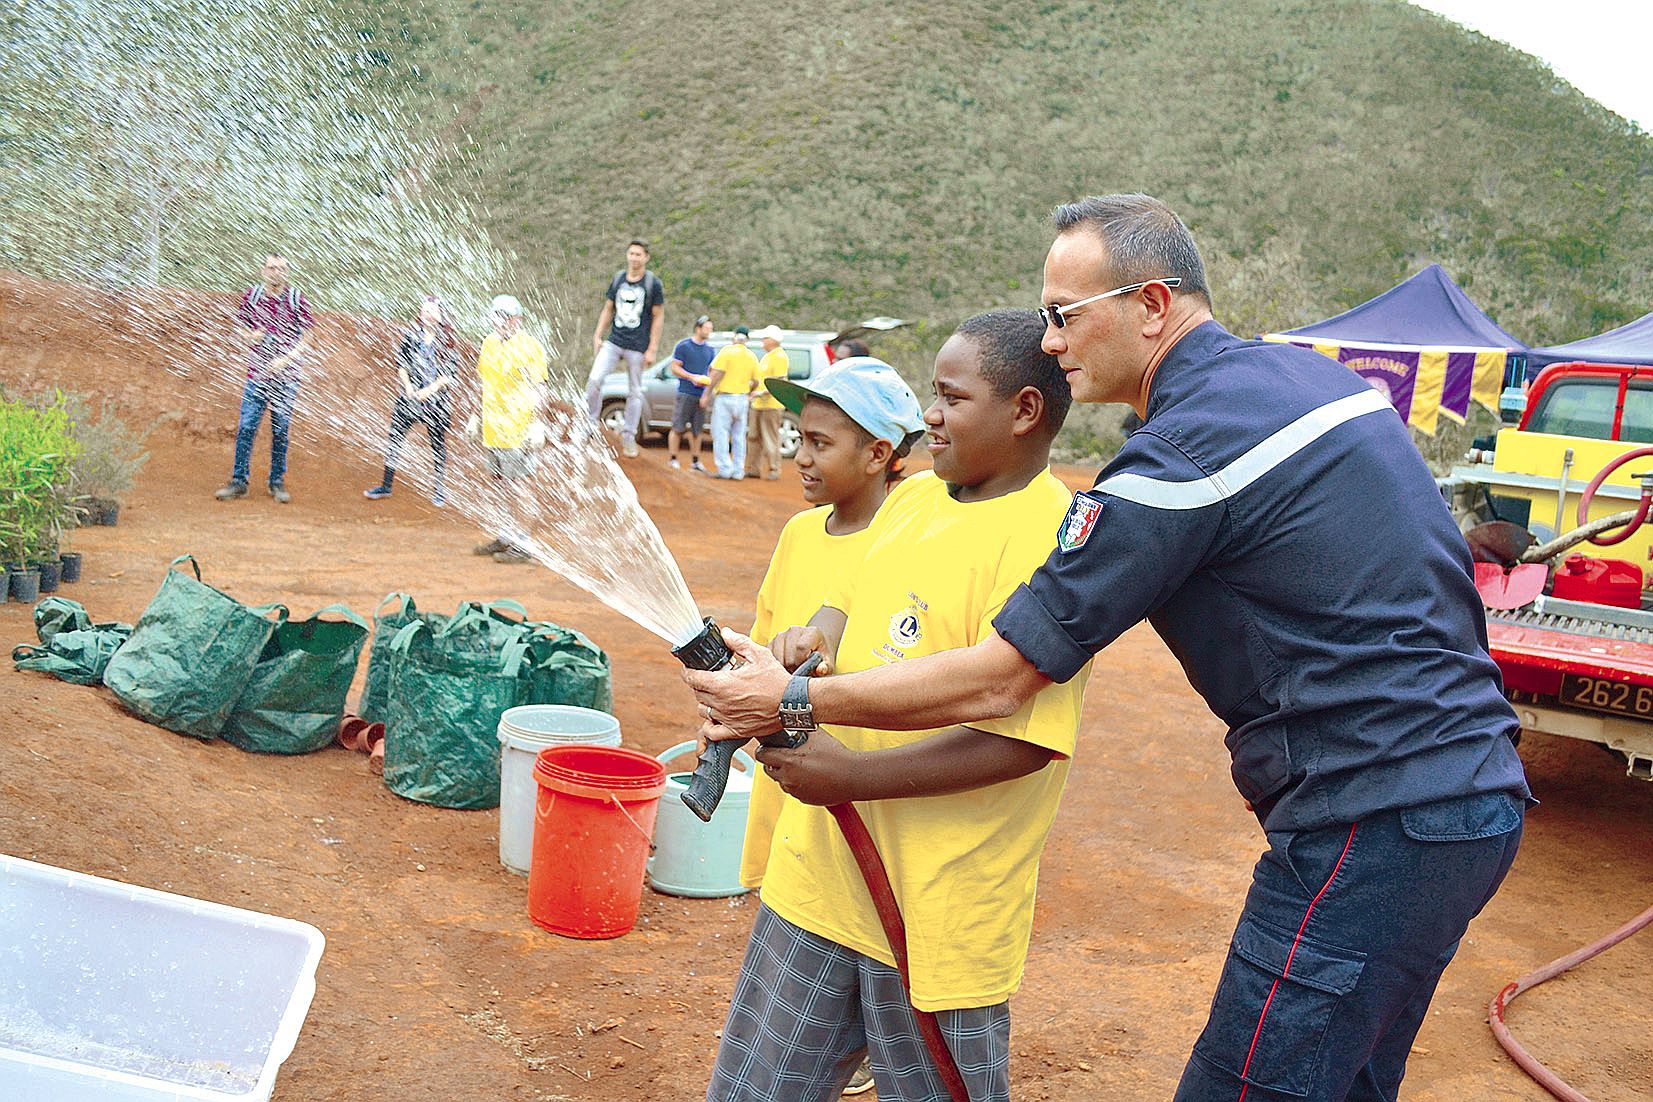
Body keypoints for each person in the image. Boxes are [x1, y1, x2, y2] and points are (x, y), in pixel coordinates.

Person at [688, 195, 1532, 1102]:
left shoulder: (1176, 460)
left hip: (1370, 815)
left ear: (1152, 304)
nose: (1050, 341)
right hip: (1468, 799)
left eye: (1064, 314)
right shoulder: (1310, 385)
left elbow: (1004, 678)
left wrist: (794, 704)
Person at [703, 311, 1086, 1102]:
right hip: (815, 884)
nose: (930, 418)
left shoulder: (1051, 540)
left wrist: (851, 775)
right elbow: (840, 623)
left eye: (950, 399)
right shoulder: (911, 504)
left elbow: (1022, 741)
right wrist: (793, 658)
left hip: (938, 917)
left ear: (1023, 411)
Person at [738, 356, 927, 1097]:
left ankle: (876, 1048)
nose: (801, 456)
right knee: (803, 931)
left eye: (819, 442)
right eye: (797, 437)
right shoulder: (798, 533)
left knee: (880, 944)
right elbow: (767, 635)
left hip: (870, 802)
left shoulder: (911, 541)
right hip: (797, 798)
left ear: (880, 454)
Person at [215, 254, 313, 503]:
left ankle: (276, 482)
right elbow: (239, 325)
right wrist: (248, 336)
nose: (275, 272)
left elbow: (308, 337)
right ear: (263, 271)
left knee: (280, 431)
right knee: (247, 428)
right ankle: (239, 482)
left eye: (280, 268)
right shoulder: (253, 296)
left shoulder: (296, 298)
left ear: (287, 272)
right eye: (271, 268)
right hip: (257, 376)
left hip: (286, 378)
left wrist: (286, 359)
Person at [471, 294, 549, 564]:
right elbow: (483, 383)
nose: (500, 321)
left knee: (520, 487)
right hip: (493, 430)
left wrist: (538, 423)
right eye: (496, 315)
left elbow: (540, 387)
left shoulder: (530, 347)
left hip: (518, 430)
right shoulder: (488, 343)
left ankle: (525, 543)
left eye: (506, 316)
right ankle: (506, 536)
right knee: (499, 485)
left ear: (518, 319)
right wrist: (475, 417)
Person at [363, 295, 460, 506]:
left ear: (442, 316)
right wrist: (407, 386)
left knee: (437, 444)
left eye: (433, 312)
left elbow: (448, 375)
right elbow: (402, 365)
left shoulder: (448, 341)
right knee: (394, 437)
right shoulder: (411, 335)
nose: (429, 315)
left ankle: (439, 489)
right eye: (425, 311)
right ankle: (386, 485)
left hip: (436, 402)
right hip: (409, 398)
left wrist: (429, 390)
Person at [584, 239, 665, 458]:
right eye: (631, 253)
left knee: (635, 391)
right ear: (627, 255)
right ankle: (590, 424)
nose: (634, 258)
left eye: (639, 254)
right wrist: (598, 334)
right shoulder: (619, 278)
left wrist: (652, 348)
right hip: (614, 341)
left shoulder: (652, 284)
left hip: (637, 346)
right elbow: (608, 308)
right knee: (594, 380)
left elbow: (658, 317)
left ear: (646, 257)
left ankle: (629, 436)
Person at [702, 325, 760, 480]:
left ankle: (725, 469)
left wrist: (706, 394)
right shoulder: (751, 356)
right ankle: (738, 471)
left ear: (735, 337)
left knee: (721, 433)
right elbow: (756, 381)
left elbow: (715, 373)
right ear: (747, 339)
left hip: (725, 398)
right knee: (739, 436)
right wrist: (748, 391)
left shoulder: (727, 352)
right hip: (741, 398)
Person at [668, 315, 717, 472]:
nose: (709, 331)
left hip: (701, 395)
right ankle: (673, 459)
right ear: (698, 329)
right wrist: (691, 377)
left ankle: (695, 462)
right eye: (707, 328)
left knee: (698, 430)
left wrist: (707, 393)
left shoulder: (710, 350)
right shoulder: (683, 346)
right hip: (685, 393)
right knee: (678, 427)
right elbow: (674, 367)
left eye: (711, 328)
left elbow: (711, 372)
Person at [744, 324, 789, 480]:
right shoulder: (767, 356)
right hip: (758, 403)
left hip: (771, 404)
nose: (762, 341)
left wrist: (761, 393)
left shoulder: (779, 357)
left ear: (773, 340)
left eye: (765, 338)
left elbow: (778, 381)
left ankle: (773, 469)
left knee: (770, 437)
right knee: (753, 436)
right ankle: (753, 468)